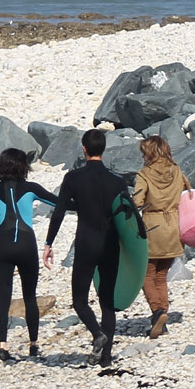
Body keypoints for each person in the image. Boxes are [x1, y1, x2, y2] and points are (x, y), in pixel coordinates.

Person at [45, 129, 131, 367]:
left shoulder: (73, 178)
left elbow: (59, 212)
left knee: (80, 300)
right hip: (111, 245)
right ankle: (106, 358)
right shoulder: (117, 181)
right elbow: (128, 215)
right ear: (103, 149)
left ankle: (97, 334)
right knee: (107, 303)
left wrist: (49, 243)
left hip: (86, 243)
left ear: (84, 149)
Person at [0, 148, 58, 362]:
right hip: (26, 244)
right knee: (29, 296)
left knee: (4, 297)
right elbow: (58, 203)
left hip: (3, 245)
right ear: (23, 166)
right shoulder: (31, 188)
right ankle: (33, 345)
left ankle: (3, 346)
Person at [131, 136, 189, 340]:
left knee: (146, 274)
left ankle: (157, 311)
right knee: (162, 275)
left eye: (144, 151)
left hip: (152, 226)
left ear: (151, 152)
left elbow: (137, 201)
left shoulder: (145, 174)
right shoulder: (176, 170)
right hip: (173, 225)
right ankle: (161, 317)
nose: (142, 155)